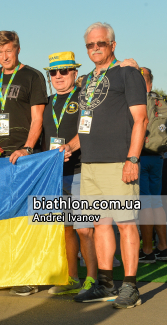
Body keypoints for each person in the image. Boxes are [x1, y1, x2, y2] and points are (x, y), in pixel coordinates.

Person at [66, 22, 147, 309]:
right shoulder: (87, 80)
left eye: (101, 43)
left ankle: (130, 287)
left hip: (119, 163)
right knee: (101, 225)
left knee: (125, 224)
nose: (95, 47)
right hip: (89, 164)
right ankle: (105, 284)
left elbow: (141, 119)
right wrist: (71, 147)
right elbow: (85, 127)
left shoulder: (127, 73)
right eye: (90, 44)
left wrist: (132, 159)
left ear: (112, 45)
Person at [0, 30, 47, 296]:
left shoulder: (33, 76)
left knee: (25, 217)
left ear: (17, 49)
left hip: (22, 155)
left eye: (8, 51)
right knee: (1, 218)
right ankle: (3, 272)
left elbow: (38, 118)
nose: (4, 56)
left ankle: (30, 274)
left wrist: (27, 148)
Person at [41, 52, 98, 297]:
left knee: (85, 229)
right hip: (55, 174)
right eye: (54, 72)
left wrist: (69, 147)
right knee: (66, 228)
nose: (59, 76)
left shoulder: (83, 98)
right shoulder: (46, 102)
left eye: (64, 71)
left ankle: (93, 281)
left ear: (75, 73)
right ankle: (72, 278)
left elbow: (86, 131)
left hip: (79, 171)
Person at [138, 67, 167, 263]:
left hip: (140, 157)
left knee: (145, 204)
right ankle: (163, 247)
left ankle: (147, 249)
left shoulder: (139, 102)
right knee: (156, 202)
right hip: (158, 157)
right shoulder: (161, 102)